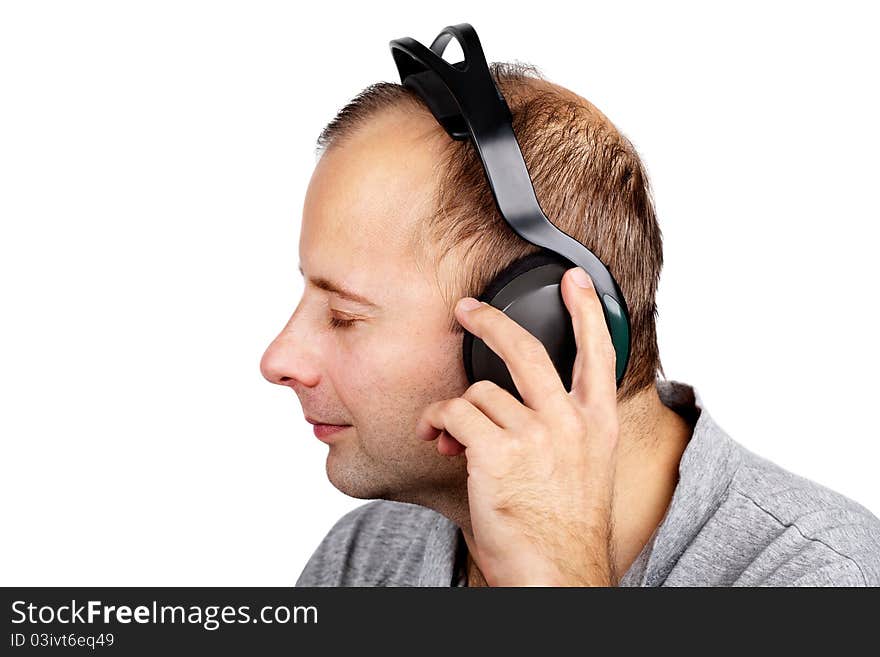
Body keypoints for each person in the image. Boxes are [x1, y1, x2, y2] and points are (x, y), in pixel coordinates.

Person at [260, 62, 880, 586]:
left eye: (344, 316)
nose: (279, 359)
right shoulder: (365, 560)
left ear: (540, 331)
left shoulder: (824, 579)